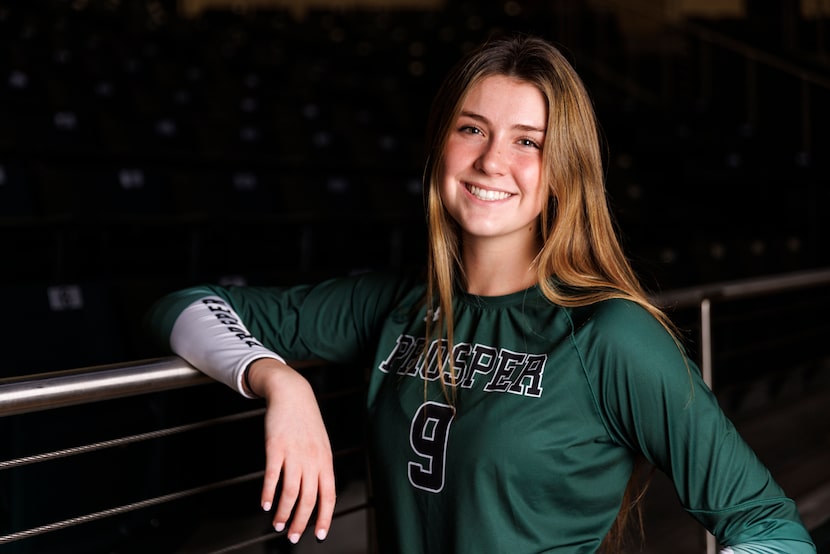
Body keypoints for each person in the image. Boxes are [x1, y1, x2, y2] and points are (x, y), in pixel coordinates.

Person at [147, 35, 816, 553]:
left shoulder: (607, 335)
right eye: (472, 129)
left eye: (528, 142)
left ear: (563, 172)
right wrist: (279, 382)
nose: (493, 160)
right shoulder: (392, 306)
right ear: (441, 145)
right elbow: (183, 306)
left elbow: (766, 521)